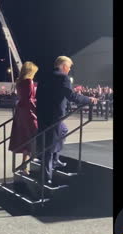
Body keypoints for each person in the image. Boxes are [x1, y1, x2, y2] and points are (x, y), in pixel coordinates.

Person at [36, 56, 98, 185]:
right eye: (69, 67)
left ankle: (55, 159)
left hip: (43, 114)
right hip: (54, 116)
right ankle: (46, 177)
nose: (69, 70)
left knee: (63, 131)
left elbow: (38, 95)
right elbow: (71, 95)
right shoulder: (63, 78)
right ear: (64, 66)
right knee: (49, 145)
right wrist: (88, 100)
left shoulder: (44, 76)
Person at [8, 62, 39, 175]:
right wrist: (38, 109)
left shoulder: (19, 81)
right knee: (35, 135)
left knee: (25, 138)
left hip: (21, 111)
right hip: (28, 112)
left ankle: (25, 165)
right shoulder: (28, 81)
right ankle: (32, 158)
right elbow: (30, 99)